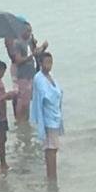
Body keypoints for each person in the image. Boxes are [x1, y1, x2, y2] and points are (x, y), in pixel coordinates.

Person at [30, 52, 63, 183]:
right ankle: (51, 176)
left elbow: (57, 91)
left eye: (51, 62)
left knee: (53, 148)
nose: (49, 65)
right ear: (40, 63)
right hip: (48, 117)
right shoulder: (38, 78)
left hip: (55, 115)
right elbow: (46, 96)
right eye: (46, 62)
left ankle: (52, 175)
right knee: (50, 148)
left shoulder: (50, 76)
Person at [9, 22, 48, 123]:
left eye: (30, 31)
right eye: (27, 31)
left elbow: (36, 52)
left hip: (32, 73)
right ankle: (20, 120)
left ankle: (26, 119)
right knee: (23, 100)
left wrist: (43, 47)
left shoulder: (30, 41)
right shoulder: (17, 43)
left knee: (30, 99)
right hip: (23, 75)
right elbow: (18, 60)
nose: (29, 33)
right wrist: (31, 56)